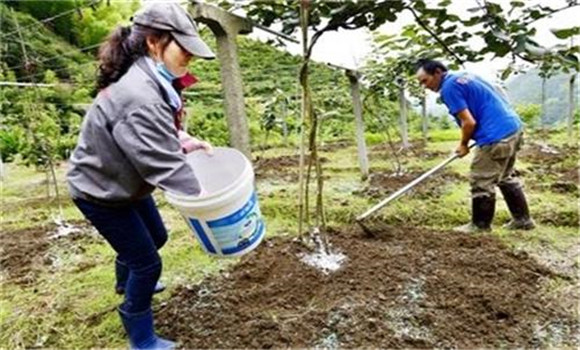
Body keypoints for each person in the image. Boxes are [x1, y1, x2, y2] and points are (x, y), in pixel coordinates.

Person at [67, 3, 215, 349]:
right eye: (184, 47)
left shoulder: (150, 79)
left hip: (122, 182)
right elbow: (157, 160)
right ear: (154, 42)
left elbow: (156, 132)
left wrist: (185, 140)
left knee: (156, 237)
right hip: (100, 191)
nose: (190, 56)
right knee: (147, 263)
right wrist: (201, 194)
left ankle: (124, 281)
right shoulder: (138, 94)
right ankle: (141, 335)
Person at [415, 59, 535, 233]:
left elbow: (468, 122)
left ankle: (480, 225)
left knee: (481, 179)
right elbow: (498, 93)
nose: (424, 86)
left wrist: (463, 144)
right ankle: (523, 220)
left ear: (438, 72)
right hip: (512, 128)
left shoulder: (449, 88)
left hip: (495, 136)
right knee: (504, 176)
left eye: (425, 80)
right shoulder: (464, 76)